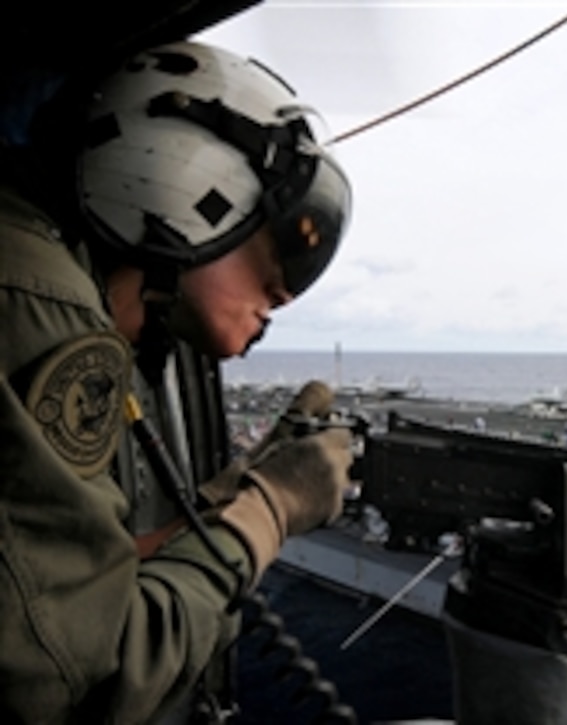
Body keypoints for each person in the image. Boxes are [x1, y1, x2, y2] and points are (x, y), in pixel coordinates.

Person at [0, 40, 354, 723]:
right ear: (182, 176)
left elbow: (59, 579)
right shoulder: (45, 299)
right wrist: (268, 511)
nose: (277, 299)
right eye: (271, 263)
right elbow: (82, 679)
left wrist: (228, 493)